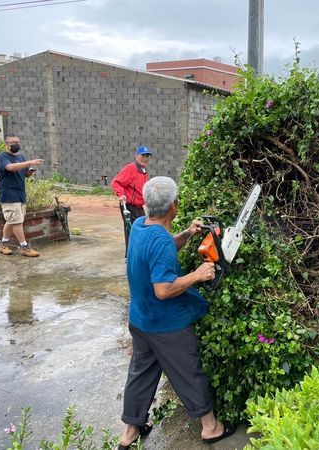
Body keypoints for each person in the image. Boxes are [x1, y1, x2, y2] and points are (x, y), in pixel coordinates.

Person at [116, 176, 236, 449]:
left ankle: (129, 433)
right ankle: (210, 428)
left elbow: (161, 247)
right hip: (165, 324)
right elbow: (164, 289)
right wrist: (197, 274)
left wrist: (187, 234)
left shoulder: (139, 226)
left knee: (141, 373)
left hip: (140, 319)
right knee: (188, 371)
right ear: (174, 205)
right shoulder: (159, 240)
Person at [0, 133, 44, 257]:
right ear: (6, 145)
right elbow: (10, 168)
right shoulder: (2, 157)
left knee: (12, 221)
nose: (16, 144)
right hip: (8, 194)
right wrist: (30, 162)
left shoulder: (21, 157)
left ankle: (3, 244)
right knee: (17, 221)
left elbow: (22, 173)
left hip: (20, 193)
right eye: (13, 142)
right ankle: (24, 247)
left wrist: (29, 172)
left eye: (17, 142)